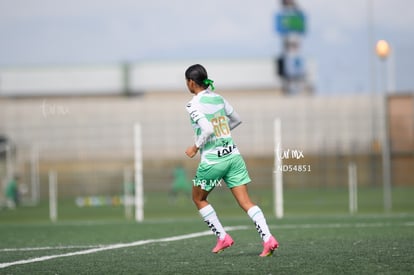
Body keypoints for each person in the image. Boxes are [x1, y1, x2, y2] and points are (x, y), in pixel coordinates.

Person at [184, 64, 279, 257]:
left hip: (213, 162)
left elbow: (208, 129)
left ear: (191, 82)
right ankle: (268, 239)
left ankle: (222, 237)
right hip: (233, 156)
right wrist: (223, 134)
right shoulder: (218, 98)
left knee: (198, 198)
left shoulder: (192, 104)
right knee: (246, 202)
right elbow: (236, 120)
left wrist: (195, 146)